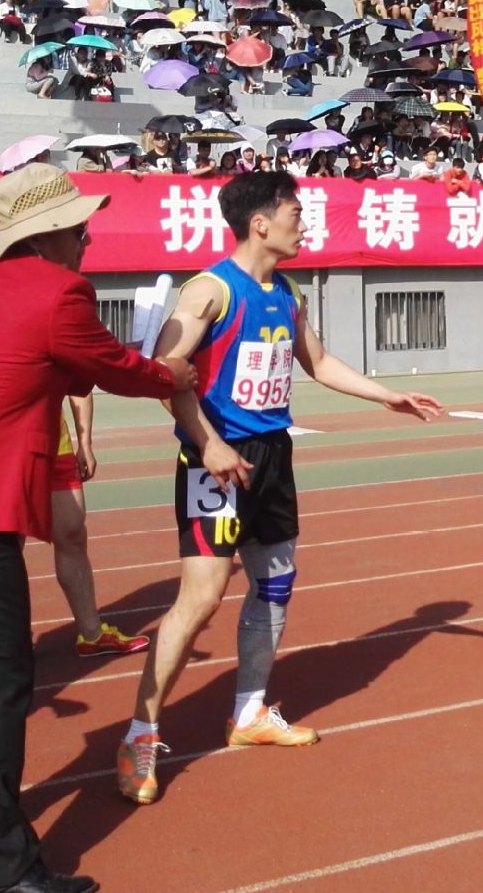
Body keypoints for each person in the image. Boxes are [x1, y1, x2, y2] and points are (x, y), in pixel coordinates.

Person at [0, 169, 189, 893]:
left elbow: (50, 365)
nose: (87, 238)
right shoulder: (57, 293)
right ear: (48, 235)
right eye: (79, 227)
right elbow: (115, 369)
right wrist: (170, 372)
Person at [118, 172, 444, 805]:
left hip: (273, 456)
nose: (305, 223)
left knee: (274, 582)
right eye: (297, 212)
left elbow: (316, 362)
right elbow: (166, 373)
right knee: (202, 598)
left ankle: (248, 712)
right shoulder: (209, 291)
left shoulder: (287, 292)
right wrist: (207, 443)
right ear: (261, 222)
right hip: (215, 461)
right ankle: (139, 733)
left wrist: (387, 395)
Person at [50, 394, 151, 656]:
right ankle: (6, 639)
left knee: (72, 533)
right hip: (7, 448)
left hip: (56, 446)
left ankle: (92, 634)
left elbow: (79, 387)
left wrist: (85, 443)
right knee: (5, 543)